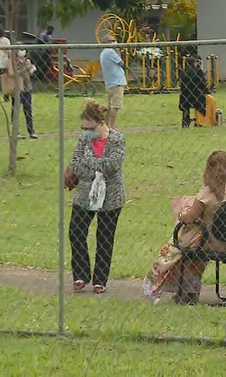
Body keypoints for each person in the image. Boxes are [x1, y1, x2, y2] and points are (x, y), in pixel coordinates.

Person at [143, 151, 226, 304]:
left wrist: (180, 214)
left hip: (210, 241)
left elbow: (190, 218)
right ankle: (188, 292)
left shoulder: (206, 193)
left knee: (178, 247)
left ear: (208, 169)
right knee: (191, 247)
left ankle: (185, 293)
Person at [66, 100, 126, 294]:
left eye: (89, 127)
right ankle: (81, 274)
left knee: (105, 237)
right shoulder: (83, 139)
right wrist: (95, 167)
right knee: (76, 231)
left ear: (100, 123)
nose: (86, 132)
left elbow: (113, 165)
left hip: (111, 196)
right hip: (84, 194)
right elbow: (75, 163)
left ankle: (100, 279)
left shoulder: (117, 140)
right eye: (84, 128)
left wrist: (89, 164)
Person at [99, 37, 127, 129]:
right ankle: (112, 126)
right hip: (116, 82)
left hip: (110, 82)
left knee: (110, 106)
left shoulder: (103, 53)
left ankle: (106, 125)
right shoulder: (110, 51)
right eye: (113, 41)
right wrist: (118, 49)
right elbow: (121, 62)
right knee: (115, 106)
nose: (115, 42)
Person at [12, 51, 38, 139]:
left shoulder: (27, 61)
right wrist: (23, 69)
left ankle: (31, 131)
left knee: (28, 110)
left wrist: (30, 68)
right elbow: (12, 74)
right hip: (17, 88)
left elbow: (31, 73)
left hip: (27, 88)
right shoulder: (13, 62)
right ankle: (16, 132)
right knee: (16, 110)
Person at [179, 55, 210, 127]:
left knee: (185, 107)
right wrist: (207, 91)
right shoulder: (199, 71)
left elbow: (182, 84)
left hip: (185, 95)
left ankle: (185, 121)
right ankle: (199, 121)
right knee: (201, 104)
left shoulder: (183, 71)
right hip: (197, 95)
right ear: (195, 62)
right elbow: (202, 84)